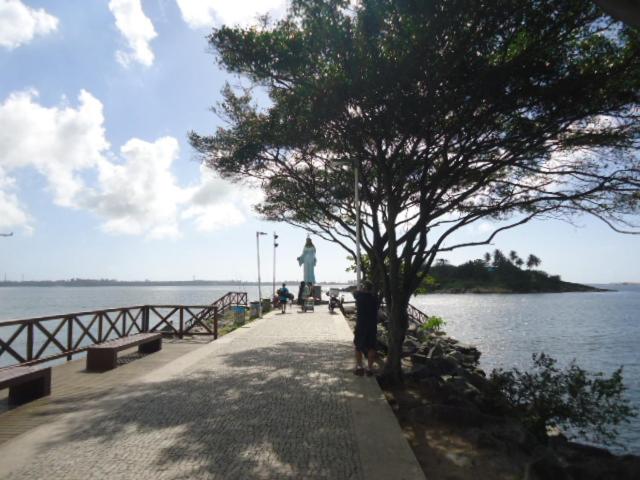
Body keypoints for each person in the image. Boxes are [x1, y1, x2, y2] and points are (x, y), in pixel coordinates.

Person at [353, 280, 379, 376]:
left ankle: (360, 367)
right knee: (371, 347)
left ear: (364, 288)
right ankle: (369, 368)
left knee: (358, 346)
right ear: (371, 289)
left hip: (361, 325)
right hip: (372, 326)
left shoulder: (359, 297)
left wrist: (360, 289)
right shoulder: (375, 298)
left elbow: (355, 292)